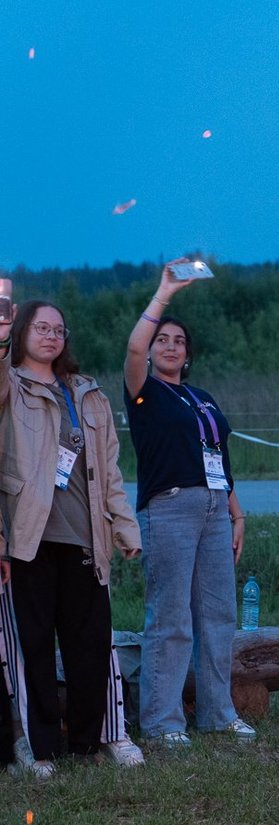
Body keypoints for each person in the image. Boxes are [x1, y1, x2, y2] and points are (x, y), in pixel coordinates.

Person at [0, 301, 146, 774]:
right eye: (40, 327)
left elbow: (110, 471)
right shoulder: (11, 386)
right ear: (22, 331)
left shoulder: (85, 392)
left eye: (59, 330)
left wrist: (124, 526)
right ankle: (38, 748)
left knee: (92, 643)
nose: (50, 336)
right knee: (34, 646)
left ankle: (98, 737)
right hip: (28, 536)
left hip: (85, 536)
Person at [123, 260, 255, 749]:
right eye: (163, 340)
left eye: (178, 341)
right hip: (170, 508)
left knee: (218, 615)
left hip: (215, 508)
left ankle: (219, 713)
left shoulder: (201, 397)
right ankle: (162, 721)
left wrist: (236, 512)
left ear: (189, 354)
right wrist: (164, 296)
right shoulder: (145, 393)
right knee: (171, 617)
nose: (170, 346)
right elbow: (134, 346)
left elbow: (219, 456)